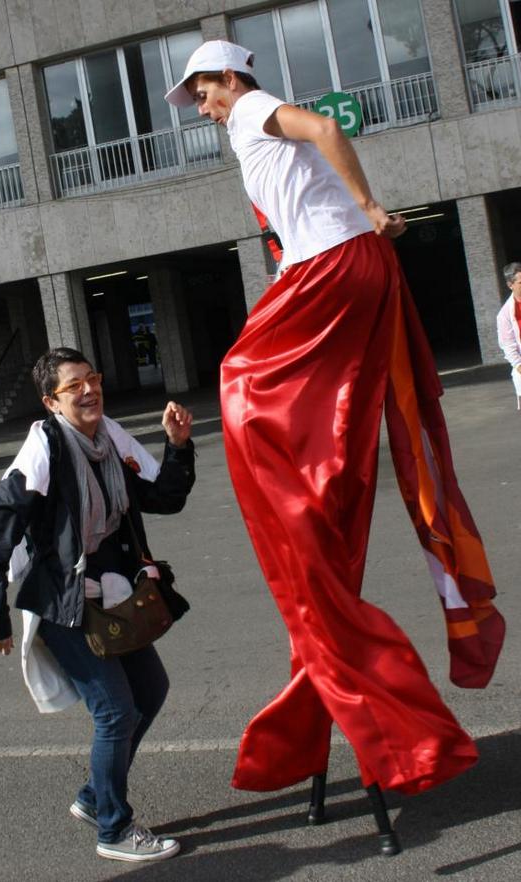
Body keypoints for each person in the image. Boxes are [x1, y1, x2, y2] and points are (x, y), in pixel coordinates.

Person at [166, 42, 504, 801]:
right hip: (339, 265)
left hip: (338, 260)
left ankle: (303, 490)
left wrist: (372, 207)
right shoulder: (244, 131)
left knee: (240, 380)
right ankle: (319, 477)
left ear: (229, 78)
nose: (207, 110)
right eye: (202, 102)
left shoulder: (253, 107)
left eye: (205, 95)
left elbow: (323, 130)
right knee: (328, 430)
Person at [0, 347, 194, 863]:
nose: (89, 390)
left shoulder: (109, 439)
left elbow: (163, 496)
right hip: (63, 602)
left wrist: (179, 447)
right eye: (74, 387)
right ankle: (114, 829)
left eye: (92, 378)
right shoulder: (44, 449)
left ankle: (96, 797)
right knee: (115, 712)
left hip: (112, 596)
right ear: (51, 401)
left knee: (150, 691)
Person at [496, 261, 521, 408]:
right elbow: (508, 347)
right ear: (510, 285)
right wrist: (519, 366)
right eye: (520, 283)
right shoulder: (505, 314)